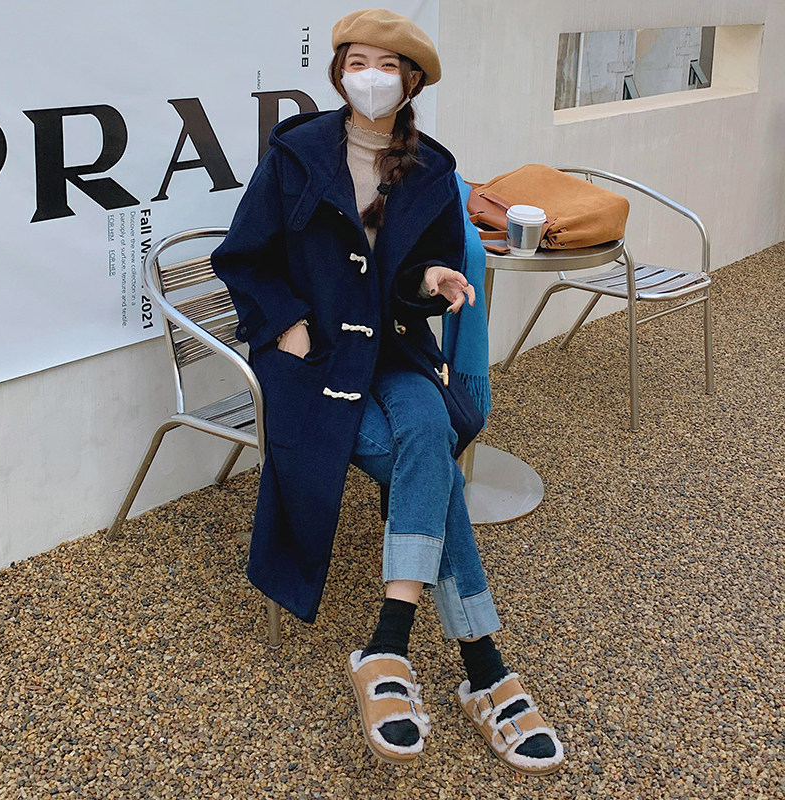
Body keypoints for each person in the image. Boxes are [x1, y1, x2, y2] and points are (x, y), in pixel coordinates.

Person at [211, 8, 564, 775]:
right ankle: (483, 668)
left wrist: (433, 281)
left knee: (426, 433)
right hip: (315, 361)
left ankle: (389, 645)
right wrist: (286, 325)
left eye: (386, 65)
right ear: (339, 72)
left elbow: (413, 281)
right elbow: (243, 257)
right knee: (428, 458)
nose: (368, 77)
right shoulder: (296, 154)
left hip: (395, 352)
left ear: (411, 81)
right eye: (356, 62)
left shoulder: (430, 170)